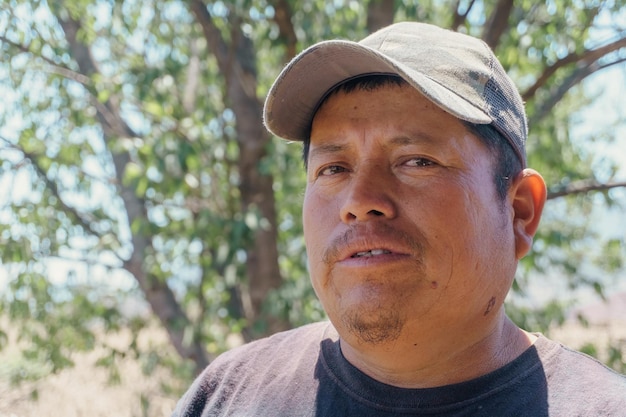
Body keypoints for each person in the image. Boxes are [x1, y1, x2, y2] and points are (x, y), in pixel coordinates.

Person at [172, 21, 626, 416]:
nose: (360, 199)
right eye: (333, 168)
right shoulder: (226, 398)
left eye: (416, 161)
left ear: (520, 212)